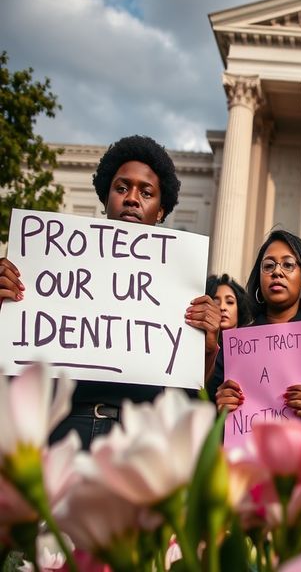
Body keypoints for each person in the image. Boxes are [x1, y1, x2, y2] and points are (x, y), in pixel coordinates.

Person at [0, 135, 221, 449]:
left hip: (136, 438)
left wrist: (208, 348)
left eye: (146, 192)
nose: (132, 198)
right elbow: (17, 368)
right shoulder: (52, 261)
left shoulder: (179, 284)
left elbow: (185, 390)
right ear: (106, 199)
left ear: (161, 211)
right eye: (121, 188)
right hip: (63, 432)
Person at [214, 230, 301, 419]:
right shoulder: (234, 344)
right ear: (259, 280)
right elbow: (206, 411)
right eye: (268, 266)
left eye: (288, 264)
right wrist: (219, 403)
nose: (277, 272)